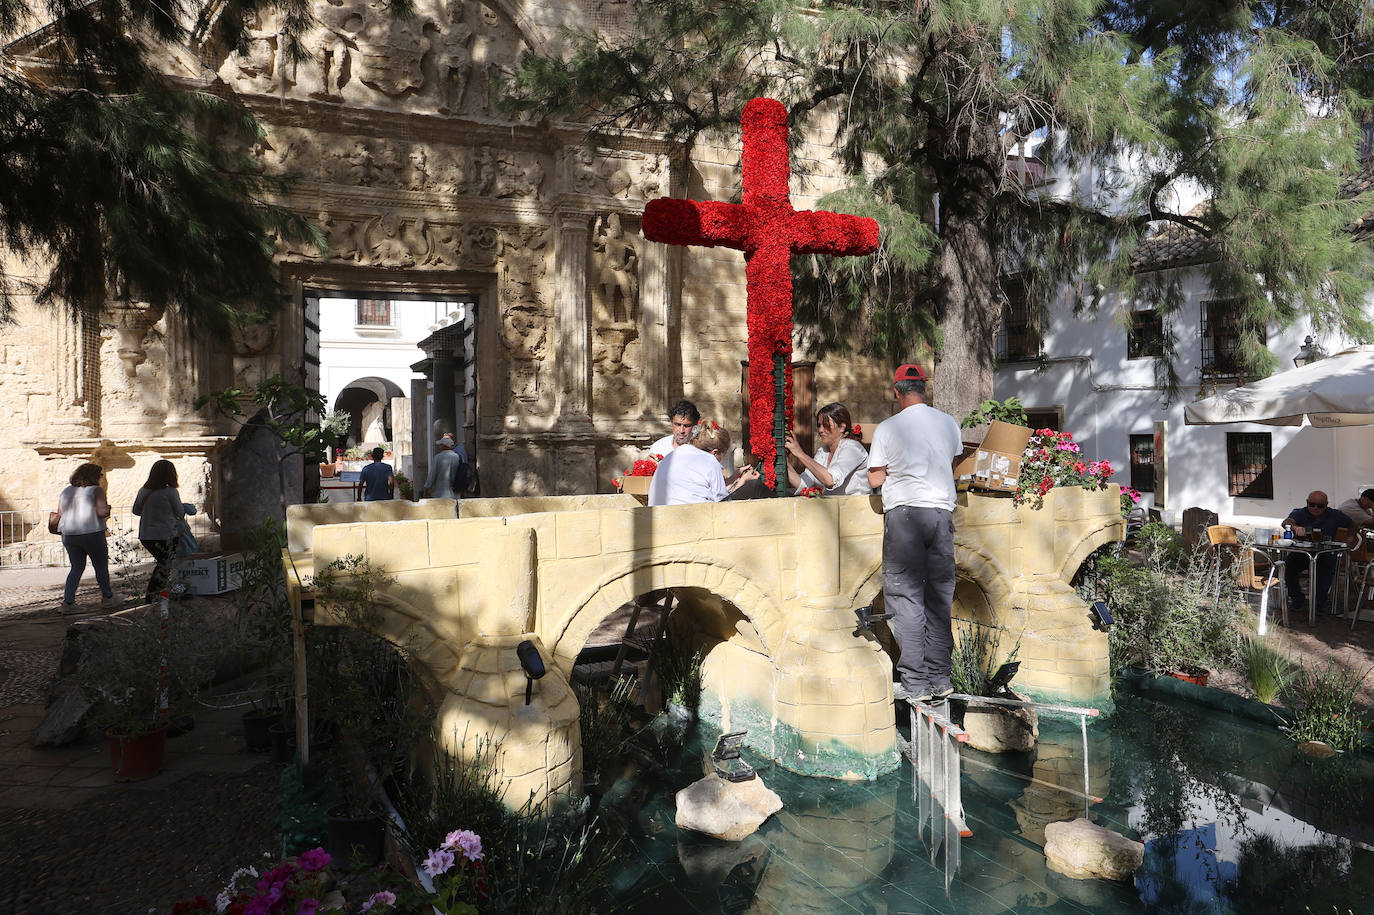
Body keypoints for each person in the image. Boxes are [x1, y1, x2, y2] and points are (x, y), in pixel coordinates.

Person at [867, 364, 963, 703]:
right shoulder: (948, 422)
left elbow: (876, 479)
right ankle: (941, 676)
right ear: (924, 389)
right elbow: (951, 465)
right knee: (938, 597)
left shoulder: (888, 427)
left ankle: (916, 682)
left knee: (906, 596)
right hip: (941, 516)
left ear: (896, 392)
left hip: (905, 516)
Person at [648, 421, 760, 505]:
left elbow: (704, 487)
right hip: (690, 520)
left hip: (661, 514)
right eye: (723, 455)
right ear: (715, 452)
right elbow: (723, 504)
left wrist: (734, 477)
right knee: (755, 487)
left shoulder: (675, 453)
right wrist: (743, 482)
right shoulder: (710, 460)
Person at [1282, 490, 1353, 615]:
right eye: (1312, 504)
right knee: (1287, 565)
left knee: (1327, 568)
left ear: (1326, 505)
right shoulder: (1299, 513)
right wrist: (1294, 527)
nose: (1315, 508)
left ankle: (1318, 604)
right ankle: (1297, 598)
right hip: (1302, 553)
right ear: (1307, 502)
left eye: (1320, 506)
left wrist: (1350, 538)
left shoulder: (1335, 515)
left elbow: (1352, 524)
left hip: (1325, 552)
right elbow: (1286, 522)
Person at [56, 462, 114, 613]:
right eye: (100, 474)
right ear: (94, 476)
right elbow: (102, 513)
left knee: (76, 567)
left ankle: (68, 602)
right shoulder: (97, 490)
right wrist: (108, 509)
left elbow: (60, 513)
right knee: (100, 566)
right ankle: (108, 597)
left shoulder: (66, 491)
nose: (102, 477)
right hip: (92, 532)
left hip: (69, 534)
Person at [133, 459, 193, 601]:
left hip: (146, 535)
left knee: (164, 564)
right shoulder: (171, 492)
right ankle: (155, 595)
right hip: (166, 534)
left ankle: (160, 593)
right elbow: (179, 513)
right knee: (166, 564)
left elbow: (136, 510)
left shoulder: (143, 490)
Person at [785, 402, 872, 496]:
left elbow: (830, 480)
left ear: (842, 427)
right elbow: (803, 485)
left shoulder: (853, 448)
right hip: (835, 509)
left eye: (826, 425)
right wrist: (783, 462)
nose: (820, 430)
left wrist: (800, 453)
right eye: (819, 425)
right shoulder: (823, 451)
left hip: (856, 509)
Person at [423, 433, 469, 499]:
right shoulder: (458, 457)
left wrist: (426, 488)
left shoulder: (437, 457)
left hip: (440, 494)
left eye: (441, 445)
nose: (440, 447)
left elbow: (432, 475)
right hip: (455, 494)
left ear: (444, 446)